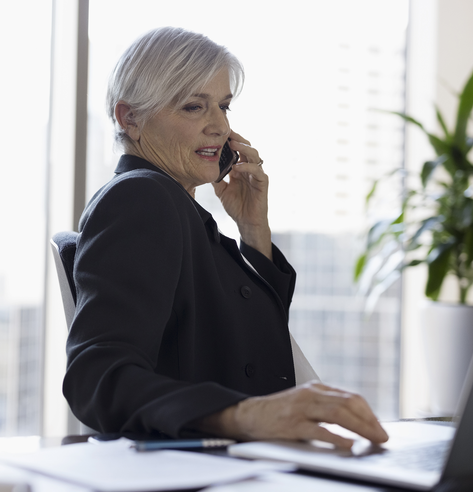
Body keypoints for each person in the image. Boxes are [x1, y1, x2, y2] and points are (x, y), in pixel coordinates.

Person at [62, 27, 388, 449]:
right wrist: (244, 415)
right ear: (131, 119)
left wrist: (254, 229)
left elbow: (248, 340)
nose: (219, 126)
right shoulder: (141, 197)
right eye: (194, 107)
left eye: (224, 106)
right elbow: (98, 378)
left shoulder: (178, 209)